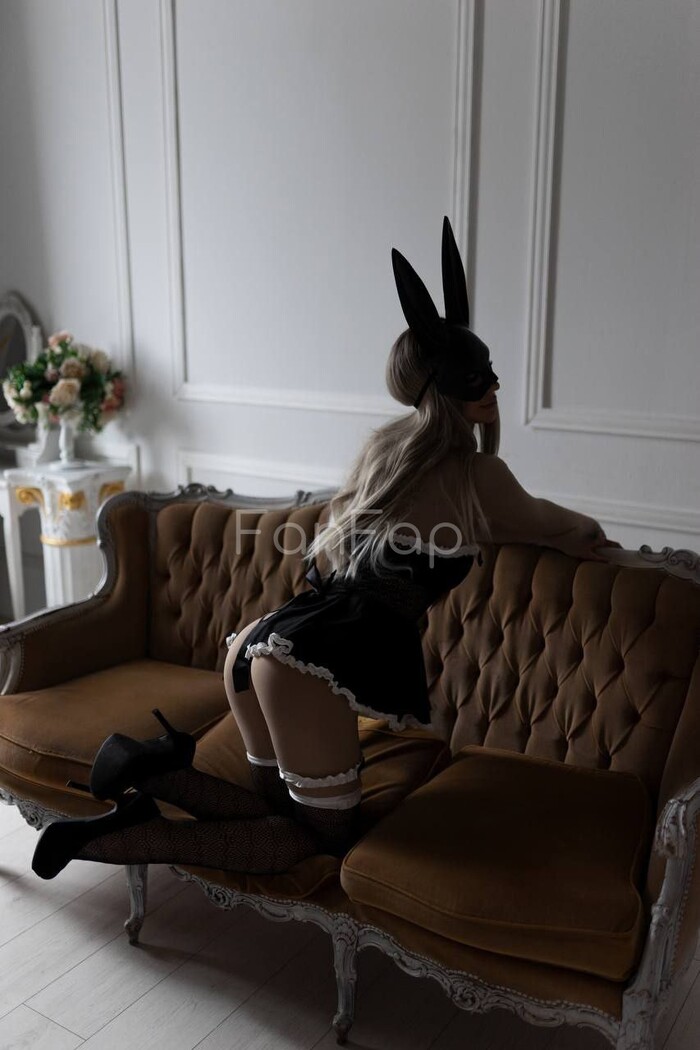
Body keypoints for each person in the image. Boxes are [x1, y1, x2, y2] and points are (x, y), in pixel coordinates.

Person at [32, 218, 620, 881]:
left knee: (277, 819)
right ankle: (131, 835)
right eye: (479, 377)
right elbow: (563, 528)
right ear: (449, 388)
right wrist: (590, 540)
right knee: (323, 845)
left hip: (260, 641)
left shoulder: (385, 451)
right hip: (308, 665)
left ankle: (154, 774)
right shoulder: (478, 477)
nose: (496, 386)